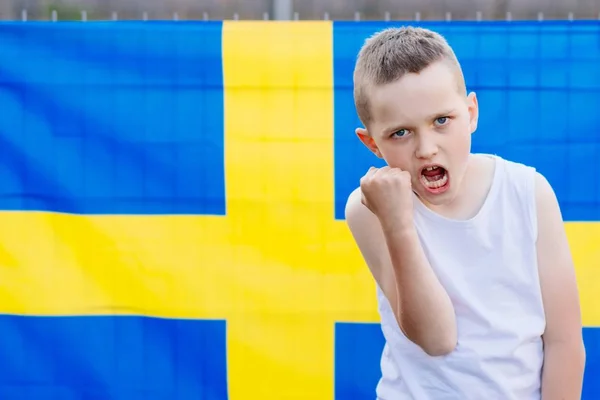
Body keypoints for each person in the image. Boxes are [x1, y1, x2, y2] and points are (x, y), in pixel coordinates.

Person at [344, 26, 586, 399]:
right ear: (372, 143)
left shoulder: (528, 193)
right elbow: (437, 338)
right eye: (400, 133)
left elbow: (565, 342)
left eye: (442, 120)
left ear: (470, 113)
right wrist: (398, 224)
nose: (427, 149)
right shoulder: (368, 210)